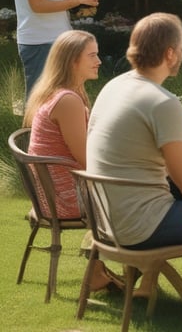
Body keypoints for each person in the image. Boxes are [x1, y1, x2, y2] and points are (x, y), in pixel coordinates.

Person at [87, 13, 182, 260]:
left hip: (105, 220)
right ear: (169, 53)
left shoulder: (114, 86)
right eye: (180, 47)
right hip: (141, 226)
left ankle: (147, 285)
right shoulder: (163, 103)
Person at [25, 30, 119, 291]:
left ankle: (99, 266)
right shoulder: (67, 100)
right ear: (71, 62)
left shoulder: (61, 93)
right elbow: (87, 160)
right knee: (140, 196)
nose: (99, 61)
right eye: (92, 55)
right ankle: (120, 266)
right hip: (67, 198)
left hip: (56, 193)